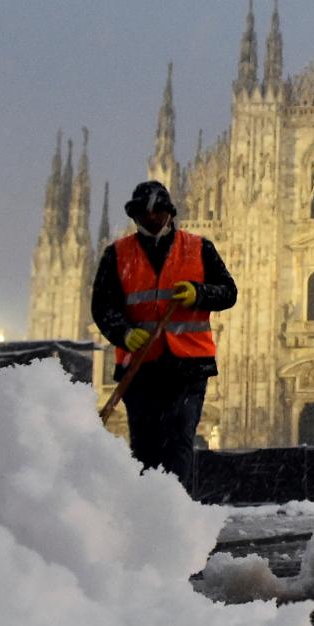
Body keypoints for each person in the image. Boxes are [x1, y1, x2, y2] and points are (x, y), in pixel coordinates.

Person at [92, 180, 237, 488]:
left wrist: (199, 293)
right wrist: (123, 333)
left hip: (188, 367)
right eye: (145, 214)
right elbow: (102, 307)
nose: (153, 219)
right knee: (145, 447)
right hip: (141, 368)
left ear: (170, 213)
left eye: (158, 212)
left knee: (179, 441)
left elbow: (228, 293)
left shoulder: (199, 248)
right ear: (135, 217)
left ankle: (176, 511)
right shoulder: (117, 254)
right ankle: (149, 513)